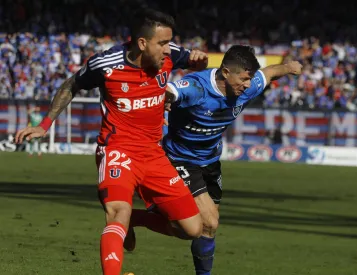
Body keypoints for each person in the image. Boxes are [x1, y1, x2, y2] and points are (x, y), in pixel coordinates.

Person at [15, 9, 209, 275]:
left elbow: (195, 62)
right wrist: (44, 125)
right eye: (162, 43)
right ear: (142, 43)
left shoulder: (171, 54)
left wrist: (199, 61)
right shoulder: (106, 64)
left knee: (192, 229)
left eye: (169, 43)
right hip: (117, 150)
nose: (168, 49)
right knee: (118, 212)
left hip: (154, 154)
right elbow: (72, 84)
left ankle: (134, 221)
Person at [126, 45, 303, 275]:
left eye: (250, 79)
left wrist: (289, 67)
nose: (248, 85)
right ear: (226, 72)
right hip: (180, 159)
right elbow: (169, 91)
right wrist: (163, 102)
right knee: (209, 222)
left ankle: (135, 218)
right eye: (244, 78)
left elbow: (269, 73)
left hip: (210, 161)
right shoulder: (197, 87)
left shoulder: (248, 87)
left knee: (197, 230)